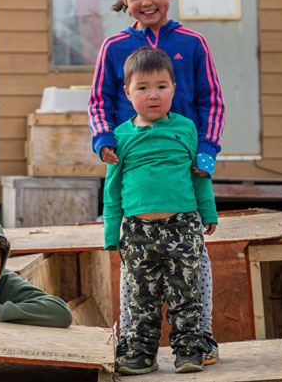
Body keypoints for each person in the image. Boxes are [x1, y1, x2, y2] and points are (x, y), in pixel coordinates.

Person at [88, 0, 223, 366]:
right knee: (137, 279)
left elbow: (211, 100)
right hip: (134, 165)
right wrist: (104, 139)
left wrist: (207, 151)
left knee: (193, 274)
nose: (147, 1)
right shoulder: (114, 46)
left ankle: (198, 341)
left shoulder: (193, 43)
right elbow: (98, 100)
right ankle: (136, 347)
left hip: (185, 165)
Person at [103, 47, 218, 375]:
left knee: (186, 293)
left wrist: (208, 213)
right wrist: (112, 233)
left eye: (161, 86)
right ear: (127, 93)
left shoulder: (186, 129)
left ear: (174, 89)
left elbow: (199, 176)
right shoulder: (120, 136)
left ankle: (188, 349)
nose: (153, 95)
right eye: (142, 87)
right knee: (142, 298)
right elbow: (112, 190)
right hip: (137, 232)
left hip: (183, 227)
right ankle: (141, 352)